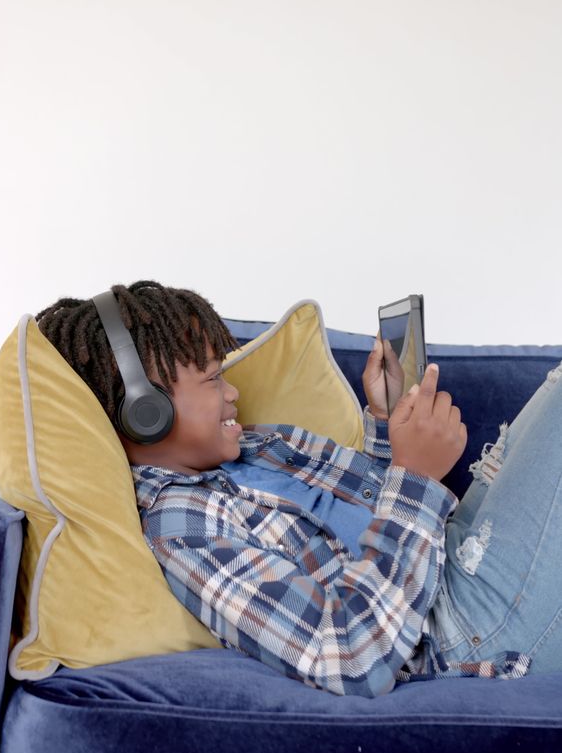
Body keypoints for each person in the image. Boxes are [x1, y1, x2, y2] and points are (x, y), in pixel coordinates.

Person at [36, 281, 562, 698]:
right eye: (214, 380)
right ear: (146, 413)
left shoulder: (262, 444)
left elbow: (368, 522)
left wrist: (385, 424)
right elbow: (353, 657)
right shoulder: (185, 527)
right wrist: (418, 479)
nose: (233, 392)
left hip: (450, 557)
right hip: (460, 633)